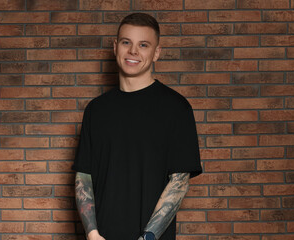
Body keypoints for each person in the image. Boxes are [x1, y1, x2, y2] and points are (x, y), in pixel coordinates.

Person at [72, 13, 202, 240]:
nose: (133, 51)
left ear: (156, 53)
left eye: (143, 45)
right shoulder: (96, 110)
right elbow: (84, 177)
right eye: (126, 42)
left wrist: (147, 237)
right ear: (115, 47)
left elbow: (178, 183)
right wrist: (92, 234)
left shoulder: (176, 108)